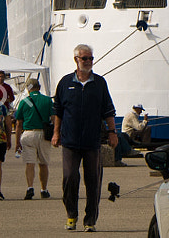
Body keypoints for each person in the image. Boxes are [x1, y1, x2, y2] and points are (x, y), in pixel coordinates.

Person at [52, 43, 118, 231]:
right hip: (70, 141)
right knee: (70, 177)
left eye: (90, 58)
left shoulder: (99, 83)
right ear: (76, 60)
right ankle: (71, 215)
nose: (88, 61)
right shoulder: (65, 83)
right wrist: (56, 133)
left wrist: (112, 133)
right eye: (85, 58)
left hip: (92, 141)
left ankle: (90, 221)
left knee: (93, 181)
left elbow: (108, 110)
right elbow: (58, 110)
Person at [14, 77, 55, 199]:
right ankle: (44, 189)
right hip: (43, 134)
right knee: (43, 163)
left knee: (29, 163)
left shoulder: (25, 101)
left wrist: (17, 142)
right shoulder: (47, 100)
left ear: (28, 88)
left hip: (28, 134)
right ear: (39, 87)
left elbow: (18, 124)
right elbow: (53, 119)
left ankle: (30, 187)